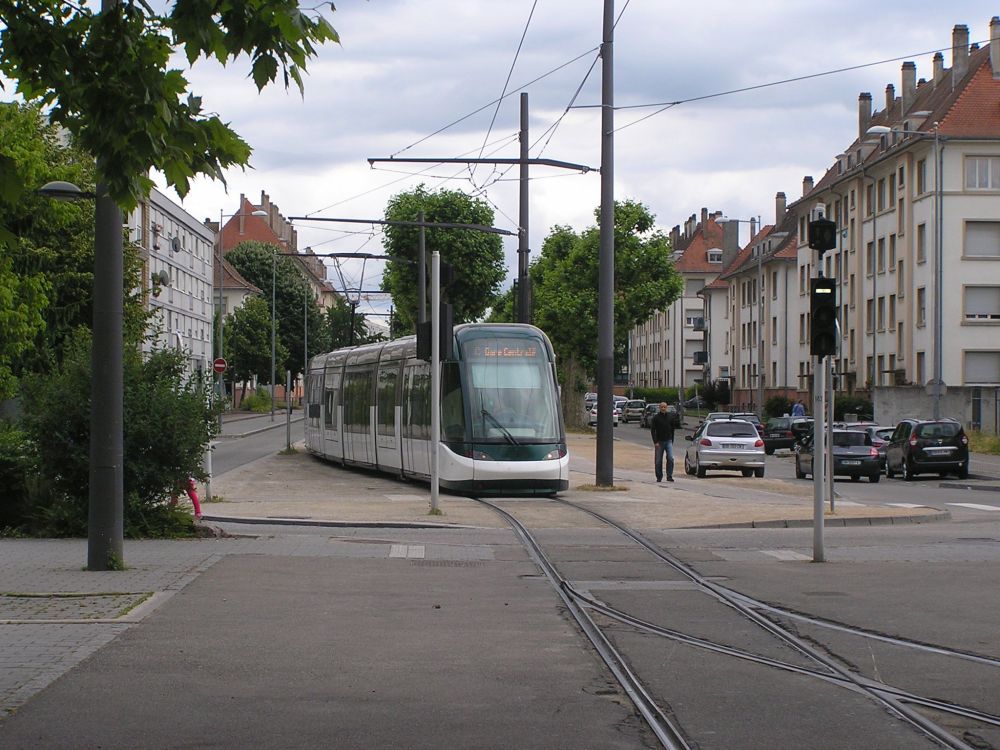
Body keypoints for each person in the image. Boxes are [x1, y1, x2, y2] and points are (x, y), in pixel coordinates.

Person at [650, 402, 681, 483]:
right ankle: (659, 476)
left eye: (664, 407)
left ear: (666, 408)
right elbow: (653, 430)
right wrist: (655, 441)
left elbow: (672, 429)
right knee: (658, 460)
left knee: (670, 458)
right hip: (659, 442)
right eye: (662, 407)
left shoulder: (670, 417)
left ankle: (669, 476)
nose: (663, 408)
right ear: (659, 408)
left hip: (668, 441)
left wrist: (672, 439)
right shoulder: (656, 418)